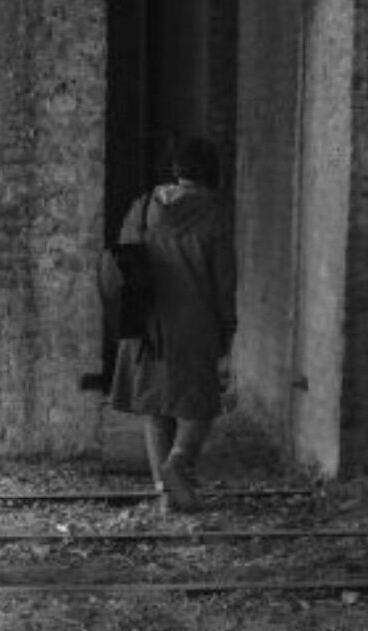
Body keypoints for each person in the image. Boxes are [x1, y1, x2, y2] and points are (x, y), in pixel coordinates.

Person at [108, 137, 237, 512]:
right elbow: (224, 280)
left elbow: (123, 259)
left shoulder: (144, 206)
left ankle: (165, 495)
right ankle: (179, 462)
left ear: (177, 170)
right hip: (195, 322)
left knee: (155, 409)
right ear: (210, 171)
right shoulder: (214, 214)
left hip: (146, 322)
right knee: (201, 405)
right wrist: (228, 325)